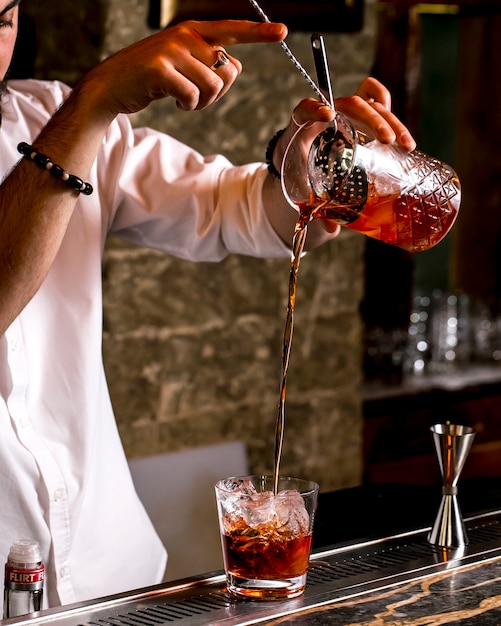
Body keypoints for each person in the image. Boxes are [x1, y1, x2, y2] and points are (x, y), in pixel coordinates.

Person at [0, 0, 416, 611]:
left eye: (2, 19)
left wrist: (308, 167)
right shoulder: (75, 118)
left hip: (114, 578)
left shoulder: (42, 113)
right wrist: (94, 102)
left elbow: (233, 207)